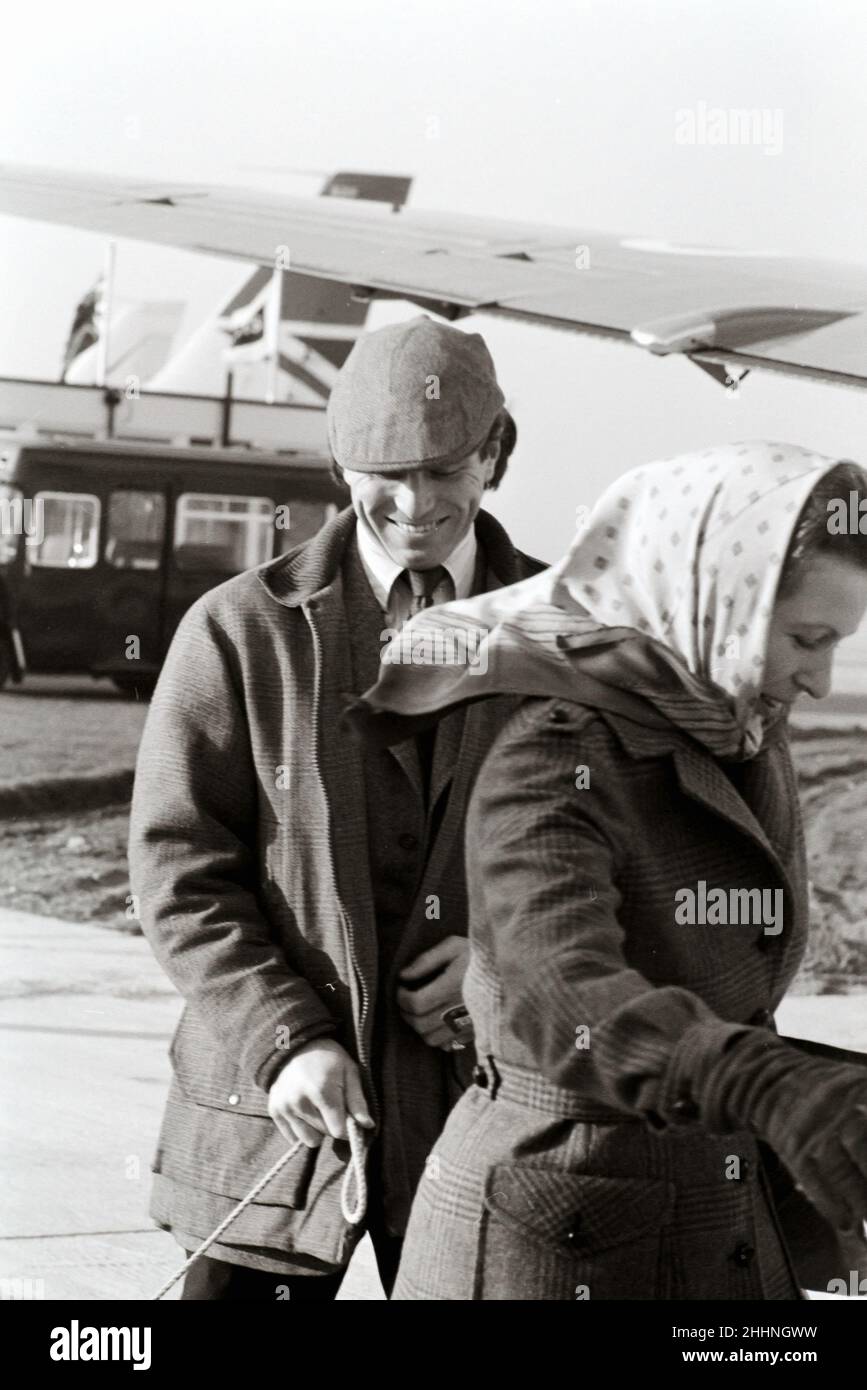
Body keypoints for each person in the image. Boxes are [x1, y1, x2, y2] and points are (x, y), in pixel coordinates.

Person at [352, 440, 867, 1300]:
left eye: (836, 645)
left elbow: (725, 1003)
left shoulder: (737, 725)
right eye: (806, 639)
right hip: (555, 1242)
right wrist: (765, 1082)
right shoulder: (554, 755)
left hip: (717, 1224)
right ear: (715, 602)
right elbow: (564, 994)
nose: (818, 679)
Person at [128, 314, 545, 1299]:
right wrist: (283, 1039)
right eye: (384, 471)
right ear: (337, 463)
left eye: (446, 468)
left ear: (496, 453)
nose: (415, 501)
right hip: (275, 1115)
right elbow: (176, 868)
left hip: (494, 1118)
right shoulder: (234, 634)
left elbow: (633, 870)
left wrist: (504, 973)